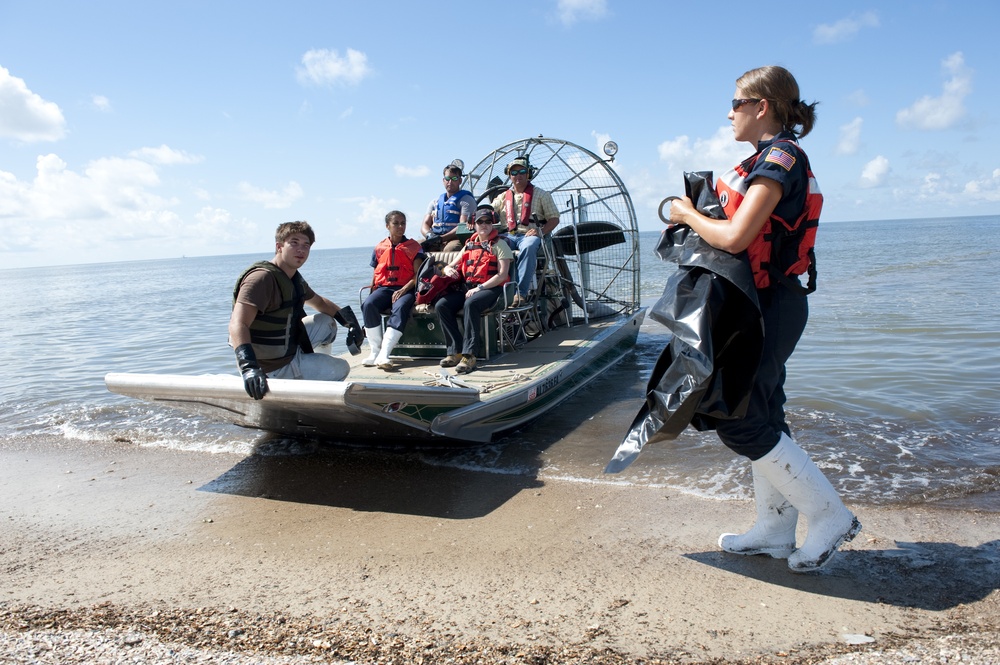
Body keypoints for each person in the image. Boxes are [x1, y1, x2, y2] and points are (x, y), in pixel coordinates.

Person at [664, 65, 860, 573]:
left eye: (736, 103)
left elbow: (734, 238)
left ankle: (830, 514)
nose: (729, 113)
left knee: (740, 417)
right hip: (767, 300)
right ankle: (774, 531)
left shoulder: (779, 158)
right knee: (766, 410)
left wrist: (686, 215)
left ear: (761, 106)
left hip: (771, 304)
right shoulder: (769, 158)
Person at [229, 221, 359, 400]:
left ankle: (309, 368)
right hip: (270, 367)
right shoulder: (261, 279)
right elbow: (238, 324)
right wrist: (249, 368)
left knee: (326, 322)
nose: (301, 250)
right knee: (340, 368)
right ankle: (308, 398)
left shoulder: (292, 278)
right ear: (279, 246)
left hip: (288, 349)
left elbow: (320, 302)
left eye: (306, 245)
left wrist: (351, 324)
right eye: (294, 243)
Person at [434, 206, 513, 374]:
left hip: (491, 289)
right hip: (468, 288)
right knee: (442, 305)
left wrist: (480, 288)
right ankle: (455, 351)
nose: (484, 225)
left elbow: (502, 275)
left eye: (487, 222)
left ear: (493, 224)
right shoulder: (469, 244)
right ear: (474, 225)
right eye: (480, 222)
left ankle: (469, 355)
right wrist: (447, 269)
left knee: (471, 304)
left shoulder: (500, 245)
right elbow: (451, 264)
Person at [491, 156, 560, 306]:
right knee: (491, 247)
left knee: (528, 247)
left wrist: (540, 231)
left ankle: (520, 293)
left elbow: (554, 219)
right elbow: (489, 211)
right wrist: (474, 218)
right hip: (509, 235)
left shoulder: (542, 195)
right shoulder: (502, 197)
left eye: (522, 171)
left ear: (528, 174)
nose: (518, 175)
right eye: (514, 173)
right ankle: (494, 291)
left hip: (530, 235)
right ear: (509, 176)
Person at [361, 211, 425, 370]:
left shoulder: (413, 247)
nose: (400, 227)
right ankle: (375, 351)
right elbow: (375, 274)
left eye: (403, 223)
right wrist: (372, 294)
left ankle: (385, 353)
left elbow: (417, 276)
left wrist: (403, 290)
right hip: (384, 288)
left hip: (407, 288)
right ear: (387, 226)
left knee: (400, 307)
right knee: (368, 304)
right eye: (396, 223)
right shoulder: (379, 247)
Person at [420, 163, 476, 252]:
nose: (450, 182)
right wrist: (430, 236)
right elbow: (425, 224)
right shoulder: (435, 202)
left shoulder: (466, 200)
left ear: (460, 181)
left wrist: (442, 239)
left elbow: (463, 225)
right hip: (435, 238)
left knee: (450, 249)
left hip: (455, 239)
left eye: (454, 179)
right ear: (443, 180)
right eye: (447, 179)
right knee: (415, 247)